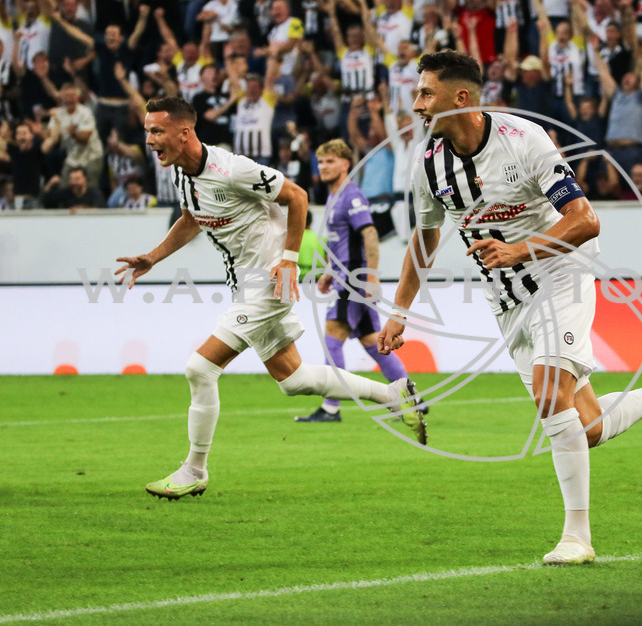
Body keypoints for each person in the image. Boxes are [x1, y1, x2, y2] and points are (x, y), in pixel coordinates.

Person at [379, 51, 642, 566]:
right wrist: (400, 310)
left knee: (548, 395)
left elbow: (584, 220)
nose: (418, 104)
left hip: (562, 275)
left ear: (462, 98)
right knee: (584, 427)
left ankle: (577, 538)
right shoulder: (430, 164)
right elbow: (423, 240)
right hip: (509, 299)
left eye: (427, 93)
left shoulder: (524, 139)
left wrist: (521, 249)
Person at [114, 97, 426, 501]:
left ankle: (194, 469)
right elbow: (192, 219)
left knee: (199, 369)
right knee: (293, 380)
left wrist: (289, 261)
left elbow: (295, 196)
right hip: (245, 285)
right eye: (147, 131)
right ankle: (393, 394)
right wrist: (152, 257)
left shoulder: (231, 169)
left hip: (267, 283)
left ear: (184, 132)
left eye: (156, 131)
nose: (149, 140)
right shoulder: (181, 175)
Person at [295, 139, 414, 424]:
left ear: (346, 164)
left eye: (330, 161)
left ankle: (331, 407)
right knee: (374, 343)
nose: (323, 167)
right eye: (321, 161)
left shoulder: (352, 196)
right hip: (343, 278)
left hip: (353, 280)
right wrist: (327, 273)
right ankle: (412, 400)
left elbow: (369, 234)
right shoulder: (335, 197)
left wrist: (371, 275)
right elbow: (341, 242)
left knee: (331, 340)